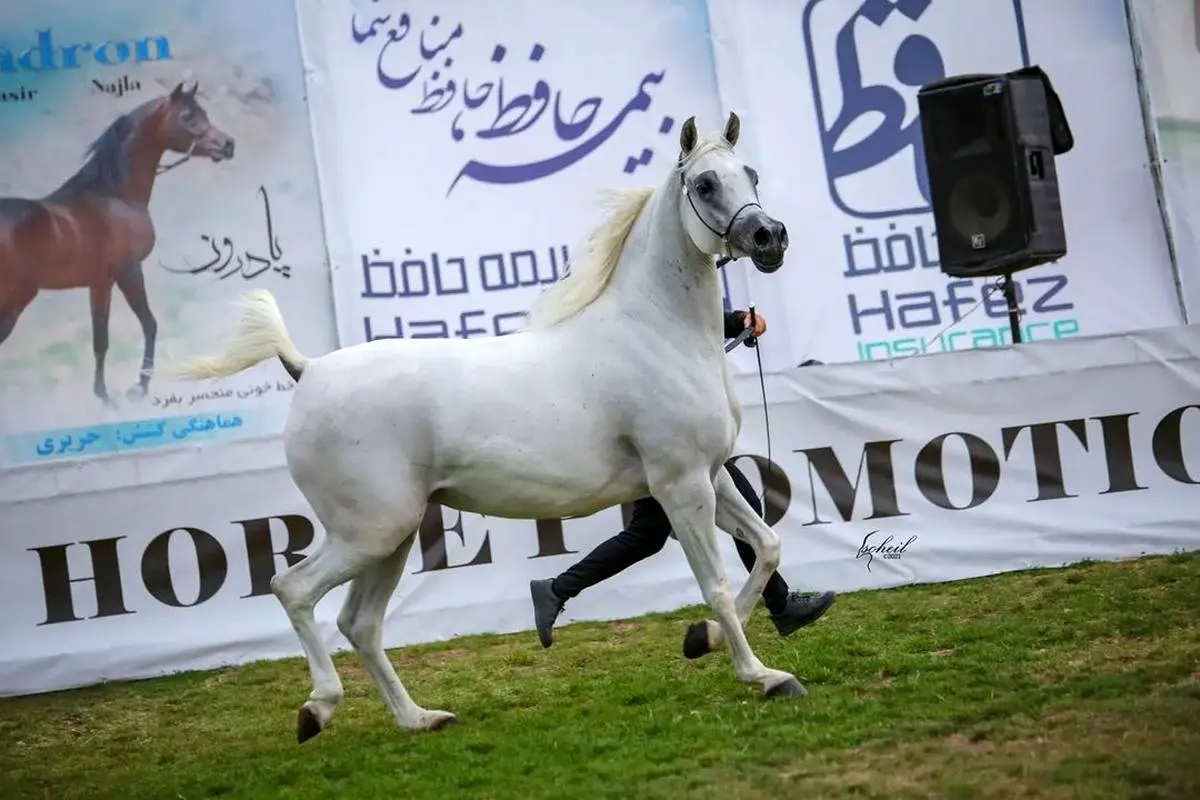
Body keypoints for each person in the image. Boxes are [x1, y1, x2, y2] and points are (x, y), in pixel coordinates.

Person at [530, 308, 837, 648]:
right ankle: (780, 605)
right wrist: (733, 322)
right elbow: (669, 318)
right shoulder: (616, 302)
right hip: (657, 431)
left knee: (650, 533)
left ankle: (556, 589)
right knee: (726, 511)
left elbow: (676, 315)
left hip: (658, 428)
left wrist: (735, 323)